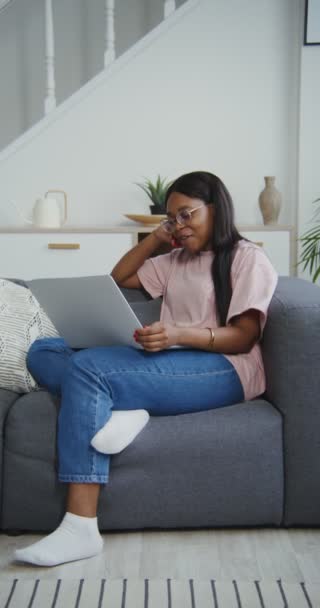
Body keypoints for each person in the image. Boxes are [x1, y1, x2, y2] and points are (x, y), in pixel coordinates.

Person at [14, 171, 277, 567]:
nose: (180, 226)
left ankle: (80, 526)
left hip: (224, 368)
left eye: (187, 215)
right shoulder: (174, 260)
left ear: (216, 209)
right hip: (171, 359)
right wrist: (156, 238)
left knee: (88, 368)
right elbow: (119, 279)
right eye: (173, 219)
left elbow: (242, 337)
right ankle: (117, 406)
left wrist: (177, 334)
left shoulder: (248, 258)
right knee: (44, 350)